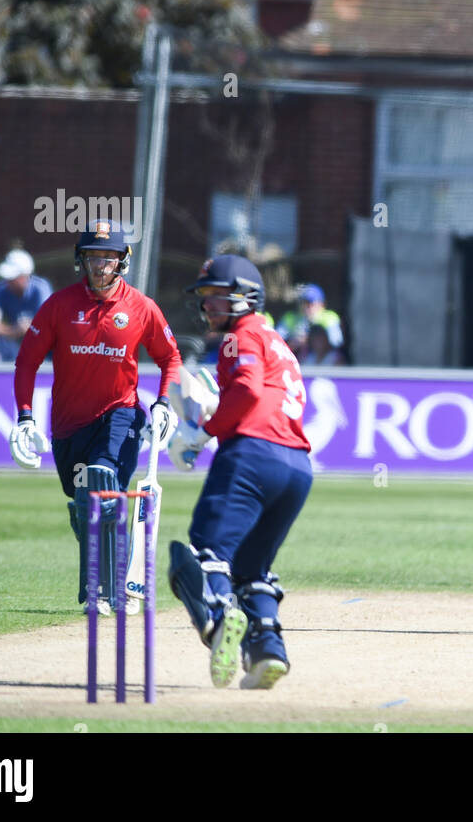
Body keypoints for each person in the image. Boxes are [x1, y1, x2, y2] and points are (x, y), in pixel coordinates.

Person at [8, 220, 181, 615]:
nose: (100, 265)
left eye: (108, 257)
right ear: (80, 260)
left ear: (122, 262)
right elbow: (26, 362)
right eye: (92, 257)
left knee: (103, 484)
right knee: (84, 500)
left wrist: (163, 402)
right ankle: (107, 579)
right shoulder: (59, 306)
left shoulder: (141, 307)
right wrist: (24, 417)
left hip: (121, 415)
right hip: (70, 427)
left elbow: (169, 356)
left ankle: (105, 589)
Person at [166, 254, 313, 691]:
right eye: (206, 298)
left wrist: (202, 432)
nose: (209, 307)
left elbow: (247, 391)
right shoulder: (278, 341)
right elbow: (258, 391)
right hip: (297, 468)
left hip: (252, 455)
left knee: (200, 556)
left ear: (246, 298)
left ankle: (216, 620)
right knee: (253, 569)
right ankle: (267, 651)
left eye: (218, 297)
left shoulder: (241, 335)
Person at [0, 247, 52, 341]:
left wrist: (29, 328)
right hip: (12, 345)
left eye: (12, 277)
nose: (8, 281)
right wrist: (13, 331)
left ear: (25, 276)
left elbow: (47, 323)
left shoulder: (40, 288)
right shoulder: (1, 289)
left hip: (42, 343)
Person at [277, 284, 343, 351]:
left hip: (323, 359)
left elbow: (337, 343)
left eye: (311, 303)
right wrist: (294, 342)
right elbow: (276, 342)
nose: (307, 307)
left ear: (322, 304)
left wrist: (310, 340)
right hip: (297, 357)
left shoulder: (330, 318)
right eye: (304, 303)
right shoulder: (290, 318)